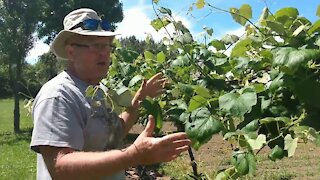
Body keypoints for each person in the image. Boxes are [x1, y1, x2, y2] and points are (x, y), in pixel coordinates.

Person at [30, 8, 191, 180]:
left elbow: (115, 133)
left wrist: (139, 98)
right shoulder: (58, 95)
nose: (105, 52)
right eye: (96, 45)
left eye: (108, 46)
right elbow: (60, 167)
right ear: (71, 52)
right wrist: (133, 155)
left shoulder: (101, 90)